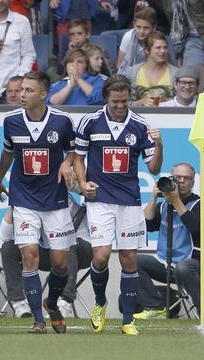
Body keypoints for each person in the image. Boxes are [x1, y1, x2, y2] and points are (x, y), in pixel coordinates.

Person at [74, 74, 164, 335]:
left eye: (124, 101)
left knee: (129, 258)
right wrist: (82, 182)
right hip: (99, 199)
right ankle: (100, 302)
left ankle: (127, 320)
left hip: (129, 201)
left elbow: (154, 167)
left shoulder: (139, 124)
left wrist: (159, 144)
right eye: (115, 101)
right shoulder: (90, 122)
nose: (120, 106)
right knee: (101, 257)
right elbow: (78, 158)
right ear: (106, 98)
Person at [0, 71, 77, 334]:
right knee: (29, 256)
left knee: (60, 264)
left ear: (44, 94)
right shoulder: (11, 121)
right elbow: (8, 152)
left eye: (29, 91)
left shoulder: (62, 121)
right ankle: (38, 320)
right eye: (20, 90)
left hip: (55, 199)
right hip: (24, 199)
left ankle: (52, 304)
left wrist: (66, 162)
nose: (22, 95)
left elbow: (74, 149)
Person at [0, 196, 93, 319]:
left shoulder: (63, 199)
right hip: (47, 252)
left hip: (80, 249)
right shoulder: (25, 198)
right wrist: (13, 207)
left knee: (68, 243)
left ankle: (65, 301)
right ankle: (19, 302)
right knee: (8, 247)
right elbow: (4, 237)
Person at [135, 163, 200, 319]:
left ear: (193, 182)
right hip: (165, 264)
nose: (182, 181)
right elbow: (147, 225)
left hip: (192, 265)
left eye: (186, 178)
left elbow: (196, 228)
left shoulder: (198, 204)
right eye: (178, 178)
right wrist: (153, 198)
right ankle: (154, 305)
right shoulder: (163, 205)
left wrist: (176, 200)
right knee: (133, 260)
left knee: (184, 268)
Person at [121, 32, 178, 107]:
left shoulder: (176, 72)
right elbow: (121, 103)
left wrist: (167, 101)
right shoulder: (131, 72)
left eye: (165, 47)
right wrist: (139, 102)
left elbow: (183, 104)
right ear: (147, 50)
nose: (163, 51)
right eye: (158, 48)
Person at [117, 7, 156, 74]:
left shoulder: (159, 40)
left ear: (154, 28)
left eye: (146, 28)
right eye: (138, 27)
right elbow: (120, 66)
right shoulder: (128, 37)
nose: (141, 32)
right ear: (133, 25)